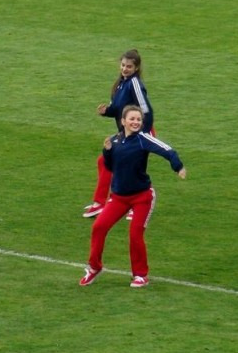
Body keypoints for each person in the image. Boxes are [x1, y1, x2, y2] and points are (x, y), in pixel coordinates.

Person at [79, 105, 186, 288]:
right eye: (132, 119)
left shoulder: (143, 139)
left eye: (138, 119)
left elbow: (168, 150)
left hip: (142, 197)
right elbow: (110, 166)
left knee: (135, 234)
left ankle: (140, 275)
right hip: (119, 198)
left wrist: (178, 167)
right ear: (123, 121)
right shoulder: (114, 141)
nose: (136, 122)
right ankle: (94, 267)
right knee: (99, 227)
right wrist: (107, 151)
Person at [82, 49, 154, 219]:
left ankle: (134, 204)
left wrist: (141, 134)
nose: (124, 69)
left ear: (136, 68)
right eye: (123, 65)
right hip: (126, 133)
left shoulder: (134, 83)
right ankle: (101, 203)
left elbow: (146, 110)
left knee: (131, 169)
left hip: (140, 133)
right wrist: (106, 111)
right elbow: (117, 109)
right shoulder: (120, 84)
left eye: (129, 66)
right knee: (105, 162)